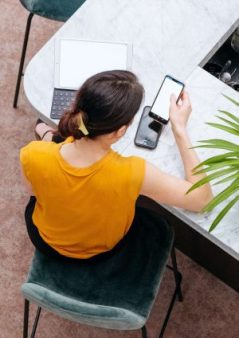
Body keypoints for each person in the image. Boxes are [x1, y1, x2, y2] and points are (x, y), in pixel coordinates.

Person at [20, 70, 212, 260]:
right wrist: (180, 129)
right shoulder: (133, 172)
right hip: (102, 250)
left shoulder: (32, 153)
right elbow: (202, 200)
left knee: (53, 147)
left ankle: (46, 133)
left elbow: (34, 194)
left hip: (45, 240)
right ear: (120, 131)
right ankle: (49, 134)